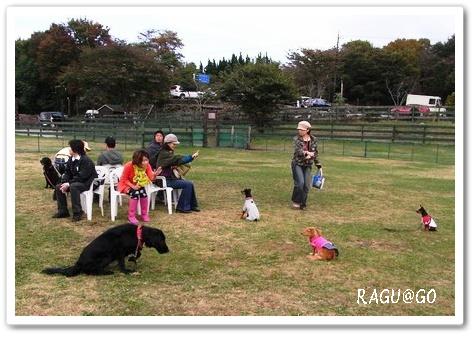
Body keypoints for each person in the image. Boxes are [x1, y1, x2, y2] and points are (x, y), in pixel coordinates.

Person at [52, 139, 97, 221]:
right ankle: (63, 211)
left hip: (86, 183)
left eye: (70, 147)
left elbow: (82, 177)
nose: (69, 149)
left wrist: (69, 184)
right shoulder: (71, 159)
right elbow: (67, 172)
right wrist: (65, 182)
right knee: (59, 186)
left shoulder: (86, 161)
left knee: (74, 186)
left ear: (75, 150)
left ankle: (78, 212)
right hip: (75, 182)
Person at [156, 134, 200, 213]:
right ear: (168, 143)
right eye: (174, 144)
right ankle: (182, 207)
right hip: (165, 180)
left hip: (168, 179)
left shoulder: (166, 152)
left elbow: (172, 161)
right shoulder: (164, 153)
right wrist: (191, 157)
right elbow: (177, 159)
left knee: (190, 183)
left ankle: (192, 206)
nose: (175, 146)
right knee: (188, 184)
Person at [118, 149, 156, 224]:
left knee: (143, 194)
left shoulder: (147, 165)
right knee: (135, 193)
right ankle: (131, 216)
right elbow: (124, 179)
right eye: (143, 160)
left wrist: (155, 175)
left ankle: (144, 214)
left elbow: (151, 177)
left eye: (147, 160)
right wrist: (133, 186)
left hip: (138, 185)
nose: (146, 162)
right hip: (125, 185)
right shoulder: (129, 165)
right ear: (137, 161)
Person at [291, 121, 321, 210]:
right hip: (297, 164)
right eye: (299, 129)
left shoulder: (313, 139)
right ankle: (296, 201)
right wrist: (307, 153)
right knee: (300, 183)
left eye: (302, 129)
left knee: (306, 185)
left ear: (307, 130)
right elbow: (298, 151)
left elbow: (315, 152)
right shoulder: (296, 139)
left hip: (308, 165)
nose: (299, 131)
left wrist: (317, 163)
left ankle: (303, 203)